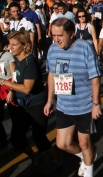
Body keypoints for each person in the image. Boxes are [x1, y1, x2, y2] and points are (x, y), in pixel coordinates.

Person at [44, 18, 101, 177]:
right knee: (62, 144)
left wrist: (96, 103)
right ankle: (86, 157)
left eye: (60, 35)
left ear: (72, 33)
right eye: (54, 35)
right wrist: (50, 100)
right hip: (63, 105)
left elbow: (95, 77)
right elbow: (51, 74)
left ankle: (89, 171)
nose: (56, 39)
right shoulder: (52, 49)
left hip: (84, 105)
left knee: (84, 142)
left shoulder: (85, 48)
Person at [5, 31, 59, 175]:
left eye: (14, 45)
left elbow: (27, 88)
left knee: (39, 138)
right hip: (22, 105)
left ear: (24, 46)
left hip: (36, 104)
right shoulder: (16, 60)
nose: (11, 47)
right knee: (17, 139)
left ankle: (55, 161)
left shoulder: (30, 62)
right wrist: (11, 90)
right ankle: (35, 158)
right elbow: (17, 79)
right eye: (10, 44)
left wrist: (4, 82)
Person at [0, 36, 14, 149]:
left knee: (14, 113)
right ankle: (3, 140)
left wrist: (11, 90)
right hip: (0, 89)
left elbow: (14, 75)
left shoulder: (8, 55)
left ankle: (17, 138)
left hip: (8, 87)